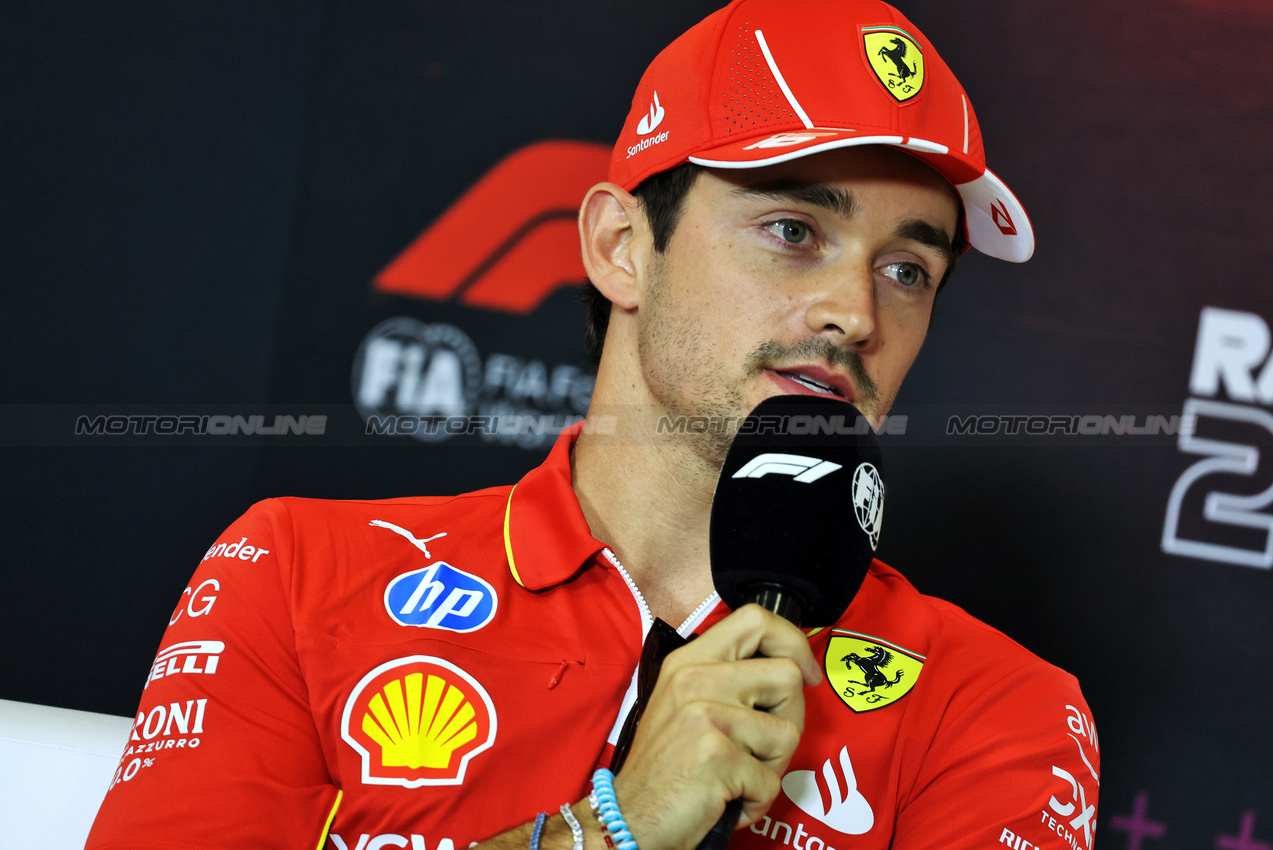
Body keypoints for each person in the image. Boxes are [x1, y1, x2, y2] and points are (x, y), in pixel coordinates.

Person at [86, 1, 1099, 849]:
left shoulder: (993, 712)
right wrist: (608, 829)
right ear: (620, 246)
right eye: (794, 231)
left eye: (906, 269)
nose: (855, 313)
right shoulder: (298, 573)